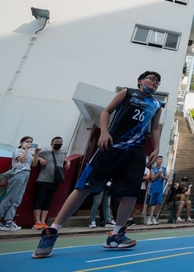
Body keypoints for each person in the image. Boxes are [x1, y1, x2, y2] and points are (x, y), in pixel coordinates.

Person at [33, 71, 163, 259]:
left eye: (158, 81)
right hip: (112, 146)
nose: (155, 82)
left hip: (136, 152)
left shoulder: (157, 105)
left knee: (130, 193)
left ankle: (116, 234)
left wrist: (157, 148)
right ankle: (52, 231)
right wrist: (103, 132)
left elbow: (155, 127)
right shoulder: (127, 92)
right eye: (152, 79)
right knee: (84, 187)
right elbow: (106, 111)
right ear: (140, 81)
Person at [0, 136, 41, 231]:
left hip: (26, 174)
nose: (29, 143)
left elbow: (34, 164)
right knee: (10, 197)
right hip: (18, 173)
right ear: (21, 142)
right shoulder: (17, 151)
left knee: (17, 199)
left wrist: (36, 153)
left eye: (30, 142)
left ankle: (9, 221)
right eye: (27, 141)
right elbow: (21, 160)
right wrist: (26, 149)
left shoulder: (29, 153)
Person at [32, 137, 71, 230]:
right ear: (51, 144)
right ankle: (37, 222)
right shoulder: (45, 152)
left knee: (48, 202)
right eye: (57, 142)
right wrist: (40, 159)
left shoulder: (63, 153)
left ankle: (43, 221)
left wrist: (67, 161)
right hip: (43, 180)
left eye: (60, 142)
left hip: (55, 181)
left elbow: (62, 159)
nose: (59, 143)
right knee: (39, 200)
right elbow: (33, 155)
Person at [146, 156, 168, 225]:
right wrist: (158, 174)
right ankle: (148, 218)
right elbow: (152, 178)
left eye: (161, 159)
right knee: (150, 203)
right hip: (152, 189)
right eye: (159, 159)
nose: (160, 161)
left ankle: (154, 218)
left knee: (158, 204)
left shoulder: (164, 169)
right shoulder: (153, 169)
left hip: (160, 189)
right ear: (156, 160)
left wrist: (162, 176)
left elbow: (167, 177)